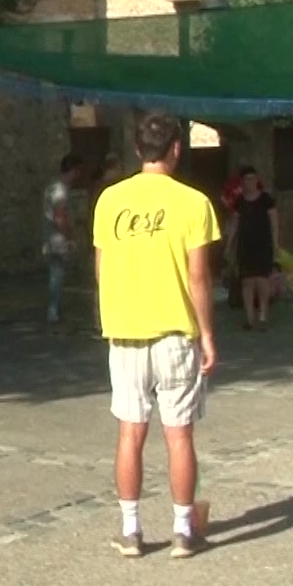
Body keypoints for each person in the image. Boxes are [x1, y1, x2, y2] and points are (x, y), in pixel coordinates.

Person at [94, 112, 220, 560]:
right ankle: (183, 530)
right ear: (176, 149)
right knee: (178, 434)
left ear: (136, 150)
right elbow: (199, 278)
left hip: (125, 330)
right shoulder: (193, 203)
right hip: (174, 331)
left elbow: (103, 266)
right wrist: (207, 334)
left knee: (130, 431)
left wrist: (109, 316)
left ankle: (131, 531)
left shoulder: (110, 201)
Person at [225, 166, 280, 329]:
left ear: (257, 180)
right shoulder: (239, 202)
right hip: (245, 245)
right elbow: (234, 224)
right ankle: (249, 317)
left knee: (262, 281)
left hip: (263, 244)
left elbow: (274, 223)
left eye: (253, 179)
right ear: (242, 182)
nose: (251, 182)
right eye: (247, 179)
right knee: (247, 282)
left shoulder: (266, 199)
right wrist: (229, 245)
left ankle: (263, 315)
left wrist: (276, 244)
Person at [44, 155, 86, 327]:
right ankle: (54, 311)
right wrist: (70, 236)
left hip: (50, 237)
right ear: (73, 170)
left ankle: (55, 309)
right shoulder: (61, 190)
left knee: (56, 273)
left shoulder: (52, 187)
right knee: (57, 275)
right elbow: (60, 216)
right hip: (58, 238)